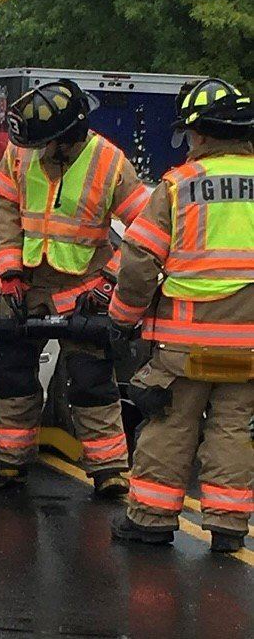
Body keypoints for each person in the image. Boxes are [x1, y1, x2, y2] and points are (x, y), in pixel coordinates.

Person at [0, 79, 149, 496]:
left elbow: (144, 229)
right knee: (11, 367)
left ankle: (109, 471)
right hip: (29, 285)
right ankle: (9, 463)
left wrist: (109, 282)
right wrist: (10, 274)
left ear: (69, 135)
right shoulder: (20, 151)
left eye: (47, 144)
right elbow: (4, 207)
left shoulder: (108, 161)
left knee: (90, 377)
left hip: (86, 286)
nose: (40, 152)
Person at [109, 79, 253, 553]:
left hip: (184, 345)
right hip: (249, 345)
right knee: (232, 430)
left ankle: (150, 520)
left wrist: (124, 316)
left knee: (171, 425)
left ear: (203, 134)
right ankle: (229, 527)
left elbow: (138, 259)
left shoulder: (176, 187)